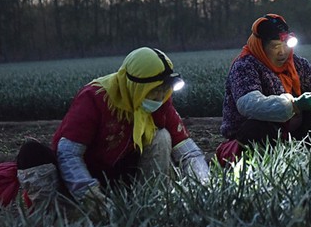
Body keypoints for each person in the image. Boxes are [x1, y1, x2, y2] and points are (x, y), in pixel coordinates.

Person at [14, 47, 210, 213]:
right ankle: (58, 216)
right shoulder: (95, 97)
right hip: (81, 177)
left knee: (162, 137)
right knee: (31, 153)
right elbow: (69, 154)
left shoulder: (161, 100)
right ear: (135, 87)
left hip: (119, 174)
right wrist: (91, 196)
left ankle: (152, 205)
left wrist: (204, 186)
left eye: (164, 91)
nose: (160, 97)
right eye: (154, 91)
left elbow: (187, 150)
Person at [218, 14, 311, 164]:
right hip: (256, 131)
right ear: (261, 46)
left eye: (286, 45)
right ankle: (263, 163)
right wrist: (293, 105)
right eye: (275, 46)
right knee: (256, 128)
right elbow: (249, 104)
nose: (282, 52)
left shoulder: (296, 64)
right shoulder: (245, 65)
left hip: (290, 128)